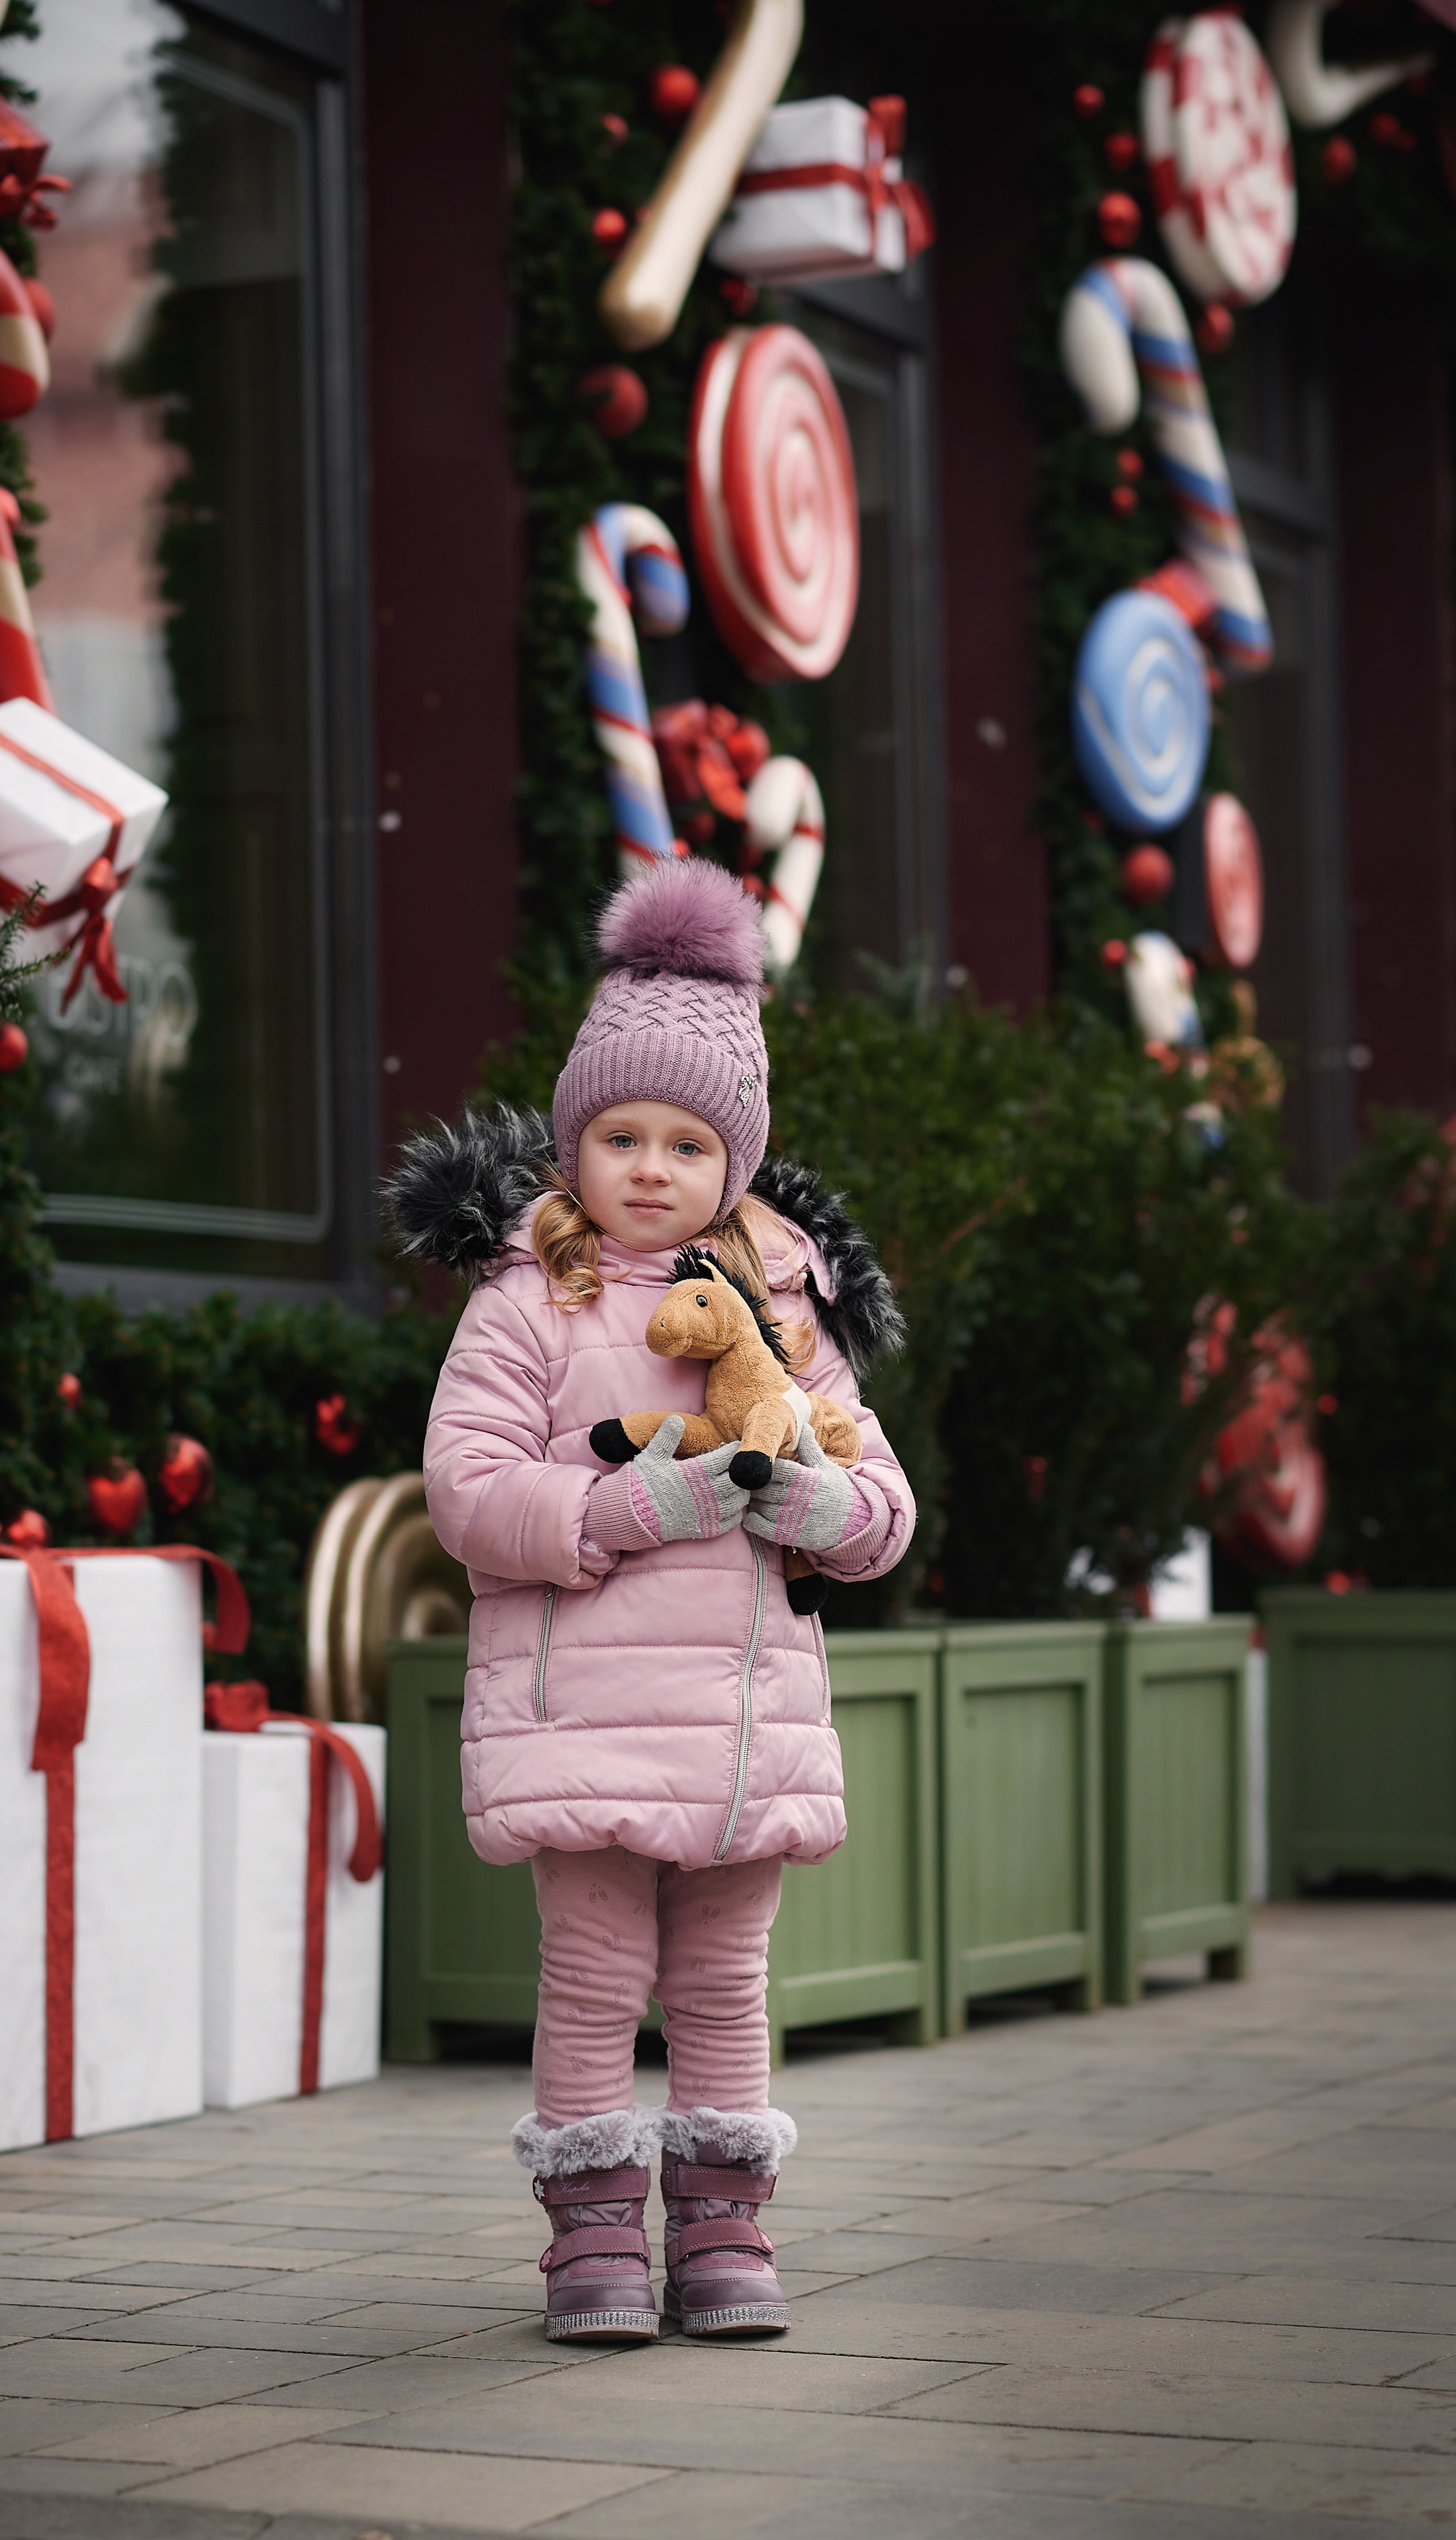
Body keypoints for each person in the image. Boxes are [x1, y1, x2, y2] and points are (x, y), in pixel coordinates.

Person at [389, 858, 915, 2345]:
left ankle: (726, 2227)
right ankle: (595, 2235)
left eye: (687, 1143)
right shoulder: (527, 1297)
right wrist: (622, 1509)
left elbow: (880, 1502)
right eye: (618, 1135)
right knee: (594, 1974)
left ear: (734, 1162)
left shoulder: (785, 1309)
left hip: (742, 1725)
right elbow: (466, 1486)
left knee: (726, 1978)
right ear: (574, 1143)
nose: (648, 1167)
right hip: (588, 1716)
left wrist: (813, 1507)